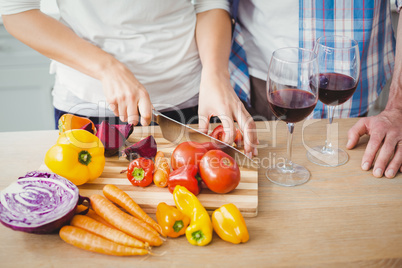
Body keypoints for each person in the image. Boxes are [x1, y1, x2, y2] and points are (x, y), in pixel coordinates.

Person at [0, 0, 258, 157]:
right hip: (89, 101)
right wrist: (106, 68)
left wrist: (215, 73)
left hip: (195, 97)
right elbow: (16, 12)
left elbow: (210, 3)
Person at [234, 0, 402, 178]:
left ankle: (317, 153)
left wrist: (398, 107)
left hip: (356, 94)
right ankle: (290, 165)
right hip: (262, 76)